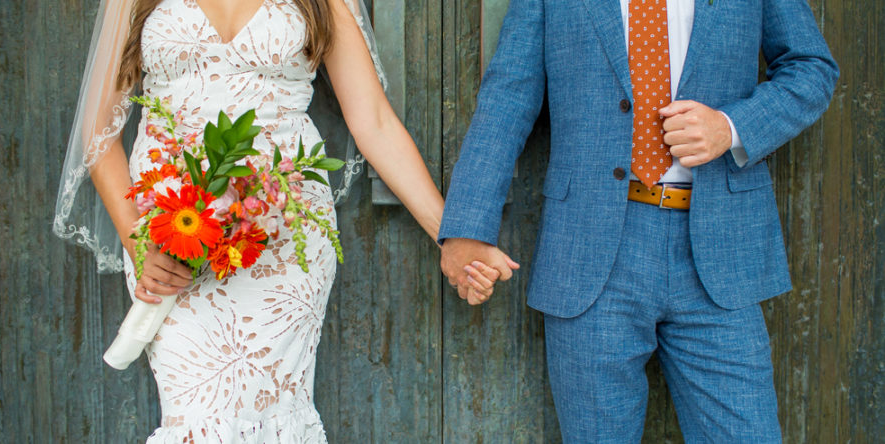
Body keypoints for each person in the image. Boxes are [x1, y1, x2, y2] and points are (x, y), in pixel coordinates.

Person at [53, 0, 514, 441]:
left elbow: (373, 121)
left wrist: (450, 238)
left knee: (276, 416)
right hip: (169, 233)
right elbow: (100, 128)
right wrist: (138, 239)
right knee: (195, 419)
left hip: (283, 235)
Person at [439, 0, 838, 441]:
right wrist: (466, 229)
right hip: (591, 255)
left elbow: (811, 67)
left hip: (721, 252)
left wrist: (731, 126)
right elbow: (508, 95)